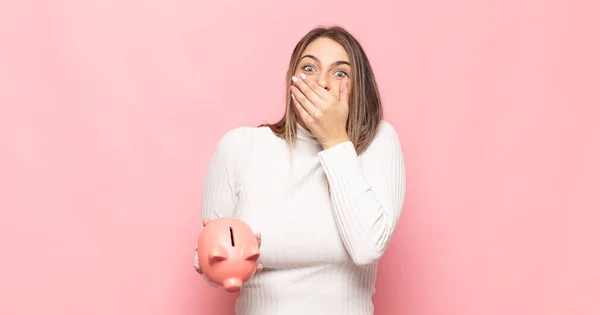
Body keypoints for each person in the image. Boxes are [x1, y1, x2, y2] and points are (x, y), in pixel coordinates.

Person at [193, 25, 406, 315]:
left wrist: (334, 139)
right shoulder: (241, 147)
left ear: (359, 88)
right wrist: (216, 258)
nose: (322, 83)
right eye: (309, 68)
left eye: (340, 73)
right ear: (291, 80)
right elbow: (214, 268)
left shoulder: (377, 143)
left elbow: (367, 248)